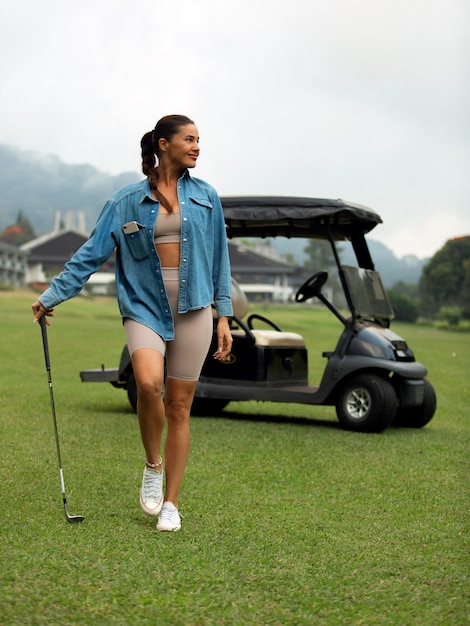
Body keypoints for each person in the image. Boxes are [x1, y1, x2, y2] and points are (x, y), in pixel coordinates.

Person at [32, 114, 233, 532]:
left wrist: (223, 318)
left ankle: (172, 504)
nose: (197, 147)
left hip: (195, 309)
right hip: (144, 308)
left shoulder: (208, 197)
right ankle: (152, 463)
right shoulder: (125, 201)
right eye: (189, 139)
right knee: (146, 383)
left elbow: (220, 261)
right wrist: (52, 295)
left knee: (180, 406)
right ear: (164, 144)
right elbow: (90, 255)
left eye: (199, 140)